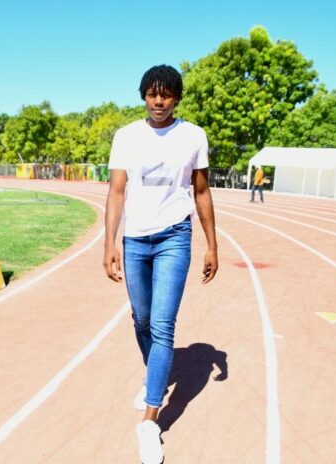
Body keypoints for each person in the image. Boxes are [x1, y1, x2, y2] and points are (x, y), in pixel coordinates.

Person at [103, 64, 218, 464]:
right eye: (152, 94)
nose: (159, 101)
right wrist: (109, 243)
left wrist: (212, 245)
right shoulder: (126, 137)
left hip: (174, 236)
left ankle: (150, 421)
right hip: (135, 238)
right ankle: (157, 372)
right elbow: (116, 192)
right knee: (141, 319)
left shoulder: (193, 136)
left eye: (166, 94)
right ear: (143, 96)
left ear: (177, 97)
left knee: (163, 326)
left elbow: (201, 191)